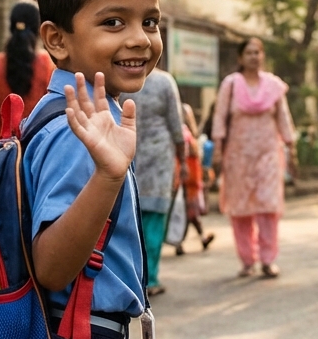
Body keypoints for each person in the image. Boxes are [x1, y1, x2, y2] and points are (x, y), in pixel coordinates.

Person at [26, 0, 158, 339]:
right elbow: (52, 266)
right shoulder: (77, 131)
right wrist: (107, 174)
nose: (141, 38)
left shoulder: (56, 112)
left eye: (150, 21)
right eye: (113, 22)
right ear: (57, 39)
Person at [212, 38, 294, 278]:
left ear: (262, 56)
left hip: (268, 154)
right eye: (248, 53)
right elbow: (220, 117)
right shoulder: (231, 84)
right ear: (240, 58)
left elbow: (284, 118)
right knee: (241, 209)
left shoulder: (274, 85)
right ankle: (247, 260)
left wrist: (292, 147)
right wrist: (218, 148)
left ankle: (268, 260)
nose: (253, 57)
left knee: (268, 207)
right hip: (238, 156)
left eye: (257, 52)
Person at [118, 68, 183, 296]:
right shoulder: (165, 81)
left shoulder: (119, 78)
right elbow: (177, 124)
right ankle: (150, 278)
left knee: (132, 218)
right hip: (156, 158)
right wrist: (182, 154)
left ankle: (135, 279)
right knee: (154, 219)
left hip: (128, 154)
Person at [0, 0, 56, 139]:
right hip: (38, 151)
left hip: (2, 153)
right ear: (39, 30)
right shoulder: (49, 66)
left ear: (11, 27)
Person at [172, 103, 214, 257]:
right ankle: (179, 242)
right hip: (183, 179)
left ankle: (186, 241)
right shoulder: (180, 132)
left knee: (191, 213)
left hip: (192, 180)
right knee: (186, 213)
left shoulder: (188, 132)